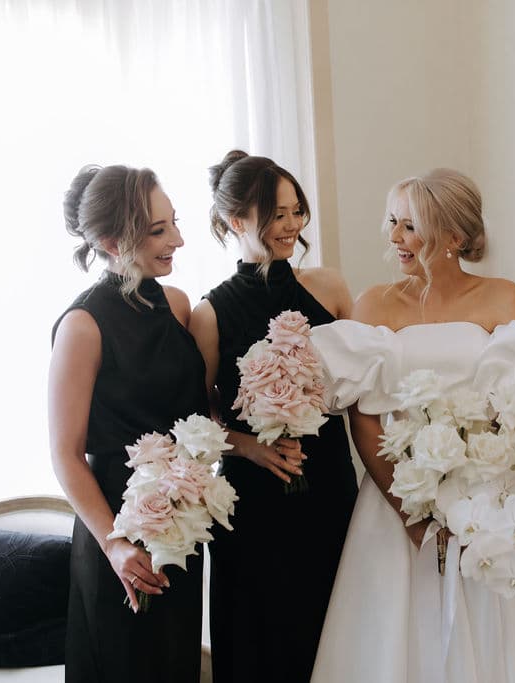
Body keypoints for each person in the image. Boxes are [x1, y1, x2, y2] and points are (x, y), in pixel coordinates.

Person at [308, 168, 515, 682]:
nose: (394, 238)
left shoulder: (503, 297)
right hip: (396, 493)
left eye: (409, 226)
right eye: (393, 223)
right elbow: (365, 418)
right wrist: (411, 510)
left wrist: (478, 490)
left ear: (454, 237)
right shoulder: (374, 303)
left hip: (489, 496)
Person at [189, 150, 358, 682]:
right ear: (236, 221)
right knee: (264, 641)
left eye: (296, 211)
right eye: (277, 215)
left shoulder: (328, 287)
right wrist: (250, 446)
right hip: (254, 501)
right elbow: (199, 418)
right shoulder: (209, 313)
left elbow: (364, 384)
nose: (291, 226)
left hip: (329, 481)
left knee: (331, 627)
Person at [49, 164, 208, 680]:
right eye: (159, 231)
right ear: (112, 241)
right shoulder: (82, 325)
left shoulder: (178, 306)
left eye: (174, 223)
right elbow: (66, 454)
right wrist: (115, 544)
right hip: (116, 529)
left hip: (182, 523)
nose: (178, 240)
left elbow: (200, 414)